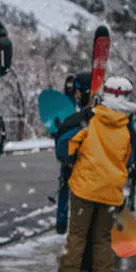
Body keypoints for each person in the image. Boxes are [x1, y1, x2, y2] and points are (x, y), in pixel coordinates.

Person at [55, 77, 136, 272]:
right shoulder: (127, 128)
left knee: (76, 238)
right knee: (102, 240)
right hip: (111, 192)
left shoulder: (90, 121)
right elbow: (129, 159)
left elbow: (65, 150)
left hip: (84, 190)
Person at [55, 72, 92, 234]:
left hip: (81, 163)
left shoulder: (87, 114)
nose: (75, 93)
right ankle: (62, 223)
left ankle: (65, 223)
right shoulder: (74, 107)